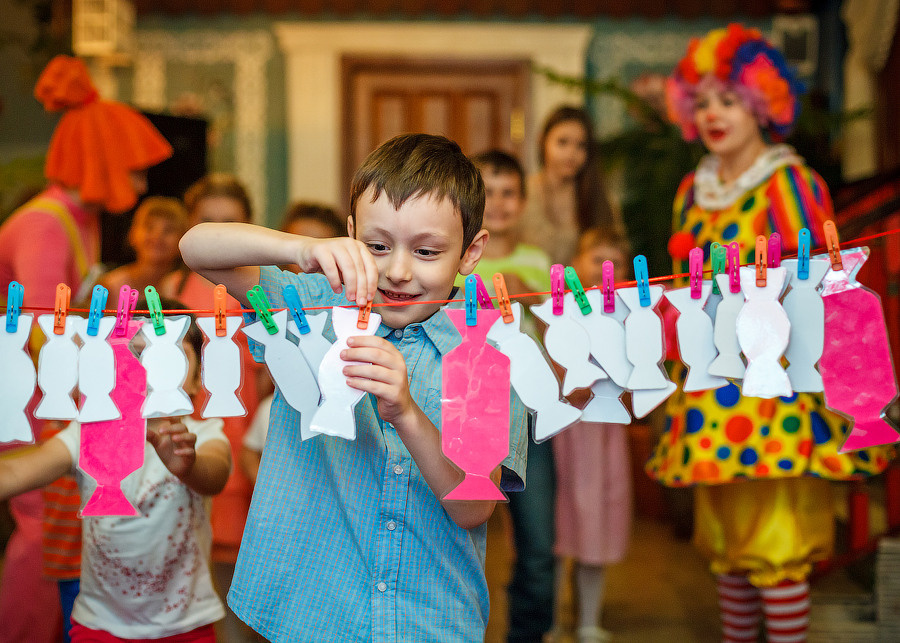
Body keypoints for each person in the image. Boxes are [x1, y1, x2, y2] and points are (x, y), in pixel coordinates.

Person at [179, 133, 529, 642]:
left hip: (428, 619)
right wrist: (302, 249)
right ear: (351, 234)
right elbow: (197, 249)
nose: (399, 271)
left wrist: (406, 412)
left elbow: (472, 506)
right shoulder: (315, 304)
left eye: (427, 251)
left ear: (470, 253)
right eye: (378, 245)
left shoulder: (484, 352)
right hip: (312, 612)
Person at [646, 24, 895, 643]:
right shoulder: (690, 193)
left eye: (728, 99)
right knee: (727, 548)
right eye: (702, 102)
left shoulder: (792, 184)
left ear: (762, 104)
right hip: (706, 391)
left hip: (774, 392)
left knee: (777, 549)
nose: (713, 114)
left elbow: (825, 284)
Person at [0, 55, 172, 643]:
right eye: (135, 169)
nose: (143, 185)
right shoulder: (49, 224)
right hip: (30, 405)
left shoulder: (79, 219)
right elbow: (48, 331)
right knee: (42, 536)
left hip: (49, 399)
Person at [0, 300, 232, 641]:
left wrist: (189, 466)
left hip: (186, 625)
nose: (151, 368)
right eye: (138, 353)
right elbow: (16, 475)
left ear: (198, 379)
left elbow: (216, 474)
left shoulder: (206, 432)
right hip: (99, 624)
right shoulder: (85, 433)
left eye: (171, 356)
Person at [160, 173, 268, 643]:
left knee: (247, 565)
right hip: (184, 435)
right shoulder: (169, 286)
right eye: (209, 222)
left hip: (246, 438)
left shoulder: (260, 290)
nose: (221, 232)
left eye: (232, 222)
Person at [458, 150, 554, 643]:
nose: (497, 202)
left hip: (532, 418)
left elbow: (558, 337)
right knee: (457, 533)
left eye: (508, 192)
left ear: (524, 200)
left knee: (538, 545)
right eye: (487, 191)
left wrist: (530, 298)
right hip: (468, 415)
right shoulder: (456, 265)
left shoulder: (538, 262)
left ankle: (527, 635)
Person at [547, 227, 634, 643]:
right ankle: (550, 619)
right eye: (594, 258)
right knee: (558, 523)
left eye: (614, 262)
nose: (604, 269)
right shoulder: (560, 308)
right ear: (576, 263)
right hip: (565, 430)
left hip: (604, 436)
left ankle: (587, 619)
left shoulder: (629, 311)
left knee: (597, 521)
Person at [240, 200, 345, 484]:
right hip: (279, 433)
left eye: (321, 257)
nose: (306, 270)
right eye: (301, 256)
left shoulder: (346, 314)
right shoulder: (267, 300)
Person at [521, 105, 620, 266]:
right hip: (526, 289)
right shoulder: (521, 192)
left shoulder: (596, 196)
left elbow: (615, 257)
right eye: (562, 142)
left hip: (582, 291)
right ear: (542, 140)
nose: (571, 153)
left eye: (580, 145)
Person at [98, 196, 189, 294]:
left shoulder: (187, 286)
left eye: (168, 230)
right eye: (149, 227)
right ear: (132, 234)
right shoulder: (110, 286)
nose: (157, 236)